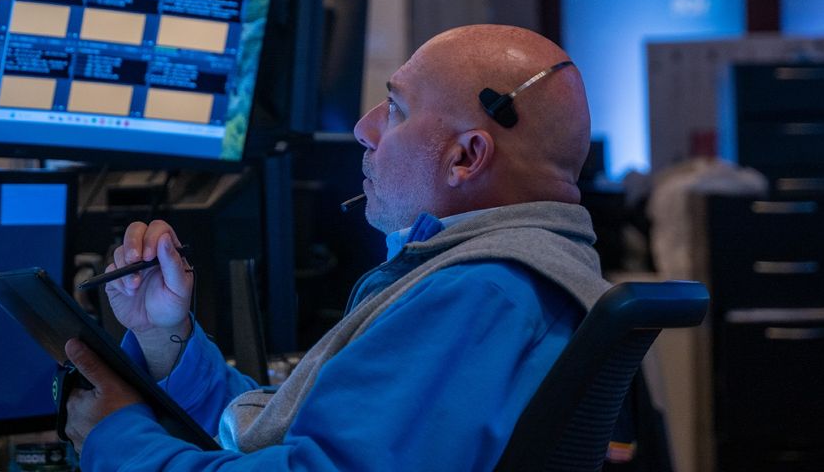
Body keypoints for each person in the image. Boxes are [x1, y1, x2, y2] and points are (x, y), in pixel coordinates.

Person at [63, 24, 611, 471]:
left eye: (395, 109)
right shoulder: (508, 277)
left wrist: (118, 440)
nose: (363, 129)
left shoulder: (481, 292)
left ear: (466, 158)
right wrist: (166, 337)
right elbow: (284, 431)